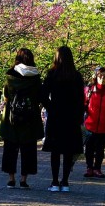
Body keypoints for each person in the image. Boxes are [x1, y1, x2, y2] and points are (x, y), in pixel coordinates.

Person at [40, 46, 85, 193]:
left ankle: (54, 182)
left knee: (55, 151)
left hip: (56, 117)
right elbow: (81, 99)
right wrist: (79, 117)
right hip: (71, 117)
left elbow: (43, 95)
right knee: (68, 151)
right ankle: (65, 182)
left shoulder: (52, 74)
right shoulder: (76, 76)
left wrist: (51, 107)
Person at [0, 48, 44, 189]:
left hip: (12, 117)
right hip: (29, 118)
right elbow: (39, 96)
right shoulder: (36, 77)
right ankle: (24, 180)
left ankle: (11, 179)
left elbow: (6, 93)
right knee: (28, 149)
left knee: (10, 148)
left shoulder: (11, 75)